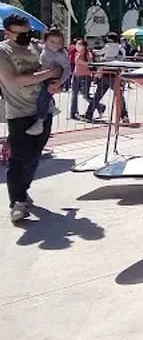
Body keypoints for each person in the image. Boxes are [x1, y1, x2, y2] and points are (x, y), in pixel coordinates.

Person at [0, 14, 61, 222]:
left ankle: (23, 191)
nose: (27, 37)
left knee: (34, 157)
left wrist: (56, 81)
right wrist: (46, 75)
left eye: (29, 32)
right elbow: (15, 80)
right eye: (21, 34)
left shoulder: (37, 47)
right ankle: (17, 201)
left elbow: (58, 65)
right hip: (19, 113)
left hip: (44, 110)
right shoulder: (2, 52)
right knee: (19, 159)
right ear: (8, 32)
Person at [27, 28, 71, 136]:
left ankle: (40, 120)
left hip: (54, 79)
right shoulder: (46, 48)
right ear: (45, 41)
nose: (56, 45)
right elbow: (42, 46)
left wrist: (60, 82)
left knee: (43, 95)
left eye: (59, 42)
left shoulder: (60, 54)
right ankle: (49, 106)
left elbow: (67, 69)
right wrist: (34, 41)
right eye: (52, 41)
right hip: (44, 74)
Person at [85, 32, 128, 122]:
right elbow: (123, 57)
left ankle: (89, 114)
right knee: (120, 96)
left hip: (105, 74)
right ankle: (124, 116)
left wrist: (92, 51)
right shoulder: (120, 47)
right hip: (115, 74)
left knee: (97, 96)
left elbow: (100, 52)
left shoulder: (108, 46)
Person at [70, 39, 94, 119]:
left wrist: (84, 62)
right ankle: (73, 113)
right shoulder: (77, 53)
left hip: (85, 76)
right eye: (77, 44)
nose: (77, 46)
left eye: (79, 44)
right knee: (74, 95)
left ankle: (98, 105)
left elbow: (90, 63)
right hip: (76, 75)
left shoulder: (87, 54)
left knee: (85, 95)